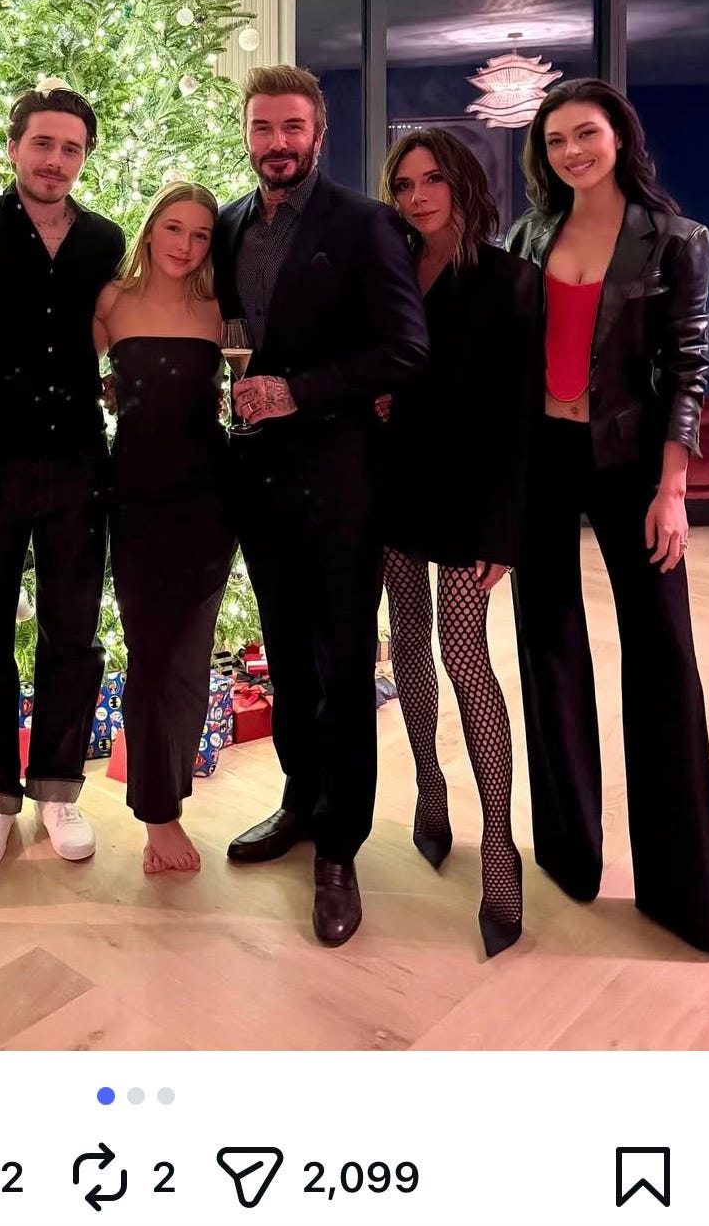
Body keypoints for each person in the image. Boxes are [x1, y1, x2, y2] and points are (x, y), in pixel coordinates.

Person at [214, 66, 429, 947]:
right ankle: (301, 801)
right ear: (247, 133)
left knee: (342, 669)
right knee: (290, 664)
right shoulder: (229, 222)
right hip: (257, 482)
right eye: (263, 127)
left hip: (341, 483)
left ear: (318, 132)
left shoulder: (366, 223)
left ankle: (340, 846)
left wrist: (297, 391)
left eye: (292, 127)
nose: (278, 143)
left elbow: (406, 349)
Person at [507, 78, 709, 955]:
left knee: (663, 656)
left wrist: (672, 489)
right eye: (555, 139)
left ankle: (686, 889)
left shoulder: (676, 238)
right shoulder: (527, 235)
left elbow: (688, 366)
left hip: (633, 463)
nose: (571, 151)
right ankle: (570, 852)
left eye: (585, 133)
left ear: (618, 136)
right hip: (543, 459)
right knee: (547, 646)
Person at [376, 129, 542, 956]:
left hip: (471, 497)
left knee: (467, 656)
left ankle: (500, 848)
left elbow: (521, 415)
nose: (417, 196)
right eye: (404, 184)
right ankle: (429, 788)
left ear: (464, 183)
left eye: (432, 179)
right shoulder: (391, 269)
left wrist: (504, 528)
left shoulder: (511, 278)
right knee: (407, 640)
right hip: (394, 484)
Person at [0, 84, 124, 870]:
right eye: (43, 144)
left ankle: (58, 787)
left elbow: (119, 328)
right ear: (14, 146)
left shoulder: (104, 239)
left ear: (85, 157)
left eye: (71, 148)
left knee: (73, 633)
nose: (56, 160)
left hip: (79, 459)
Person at [94, 183, 236, 875]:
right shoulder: (111, 302)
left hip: (210, 502)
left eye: (201, 234)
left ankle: (169, 798)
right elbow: (58, 373)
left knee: (189, 656)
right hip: (137, 500)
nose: (186, 245)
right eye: (174, 228)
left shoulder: (220, 308)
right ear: (150, 229)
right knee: (152, 655)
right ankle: (157, 814)